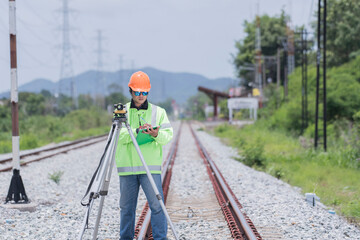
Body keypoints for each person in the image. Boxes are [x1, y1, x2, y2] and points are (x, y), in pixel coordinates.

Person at [116, 71, 173, 240]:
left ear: (148, 91)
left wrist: (155, 134)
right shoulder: (122, 111)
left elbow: (167, 135)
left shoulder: (159, 111)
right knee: (126, 209)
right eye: (138, 92)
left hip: (150, 168)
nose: (141, 96)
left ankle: (160, 238)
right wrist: (138, 131)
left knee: (157, 206)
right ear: (131, 91)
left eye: (144, 92)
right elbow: (119, 135)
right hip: (127, 170)